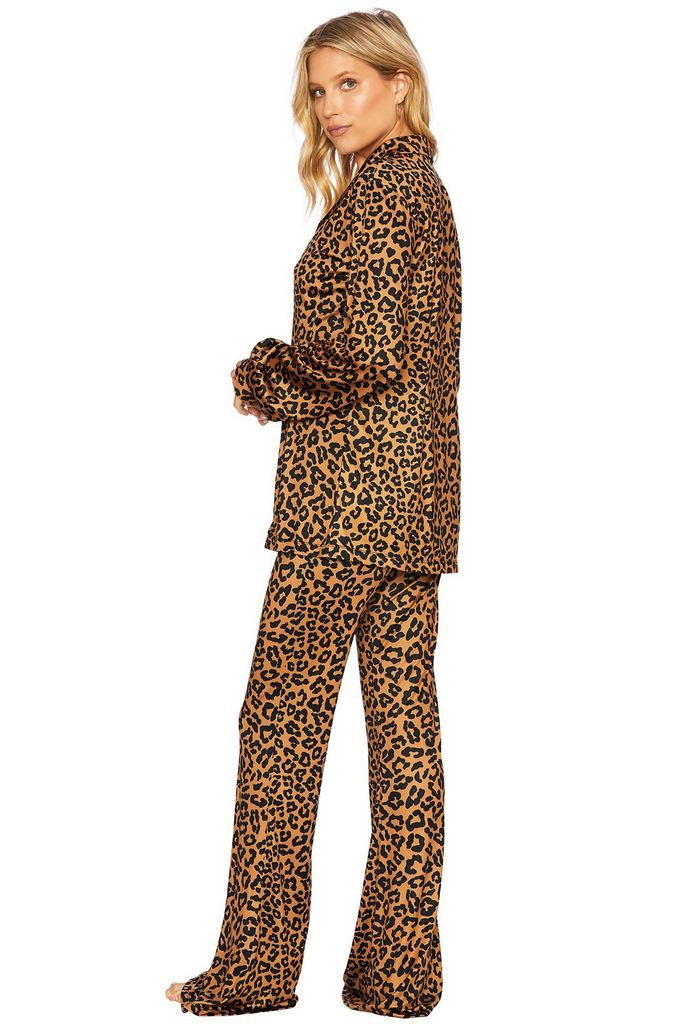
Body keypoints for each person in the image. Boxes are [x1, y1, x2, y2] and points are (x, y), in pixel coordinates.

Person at [166, 7, 461, 1018]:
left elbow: (365, 353)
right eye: (318, 88)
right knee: (402, 733)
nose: (330, 106)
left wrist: (263, 376)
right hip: (412, 506)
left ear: (397, 83)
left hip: (345, 507)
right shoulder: (417, 186)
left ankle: (254, 967)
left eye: (349, 83)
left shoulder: (386, 194)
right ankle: (398, 973)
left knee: (280, 725)